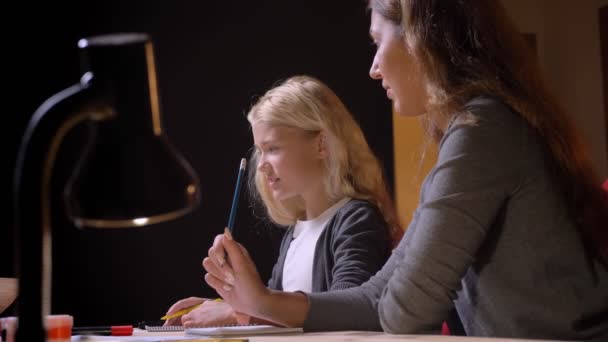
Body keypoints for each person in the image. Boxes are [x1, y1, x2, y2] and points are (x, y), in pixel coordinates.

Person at [203, 1, 608, 340]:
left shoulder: (483, 131)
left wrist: (263, 304)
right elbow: (377, 296)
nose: (374, 68)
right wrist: (260, 302)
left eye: (379, 42)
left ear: (422, 40)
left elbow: (404, 311)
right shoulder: (477, 130)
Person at [163, 75, 401, 327]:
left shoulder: (357, 219)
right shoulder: (295, 233)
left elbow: (347, 309)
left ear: (321, 145)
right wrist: (226, 305)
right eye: (259, 151)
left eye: (273, 148)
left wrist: (238, 314)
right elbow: (273, 307)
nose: (262, 166)